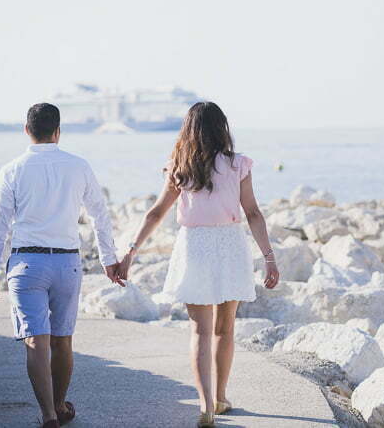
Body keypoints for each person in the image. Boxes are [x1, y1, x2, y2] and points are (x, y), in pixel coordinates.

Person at [117, 101, 280, 427]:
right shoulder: (238, 165)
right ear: (222, 129)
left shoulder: (179, 166)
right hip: (230, 245)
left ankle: (206, 404)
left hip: (194, 245)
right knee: (224, 328)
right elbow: (253, 213)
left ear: (187, 130)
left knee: (199, 330)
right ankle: (220, 397)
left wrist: (130, 253)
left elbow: (155, 213)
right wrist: (269, 258)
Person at [0, 103, 123, 428]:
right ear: (58, 132)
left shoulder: (12, 169)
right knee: (62, 340)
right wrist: (108, 259)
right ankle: (59, 405)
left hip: (26, 264)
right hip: (67, 264)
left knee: (36, 341)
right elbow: (100, 215)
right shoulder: (79, 166)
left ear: (26, 131)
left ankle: (47, 414)